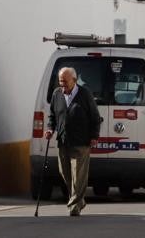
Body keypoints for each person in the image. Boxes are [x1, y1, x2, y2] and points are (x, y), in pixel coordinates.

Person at [47, 66, 101, 216]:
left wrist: (94, 136)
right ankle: (79, 199)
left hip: (81, 142)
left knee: (79, 175)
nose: (62, 84)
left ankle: (74, 205)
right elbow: (52, 115)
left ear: (75, 80)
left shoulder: (85, 94)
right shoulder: (57, 94)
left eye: (65, 81)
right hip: (63, 140)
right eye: (60, 81)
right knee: (64, 172)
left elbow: (95, 117)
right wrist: (50, 129)